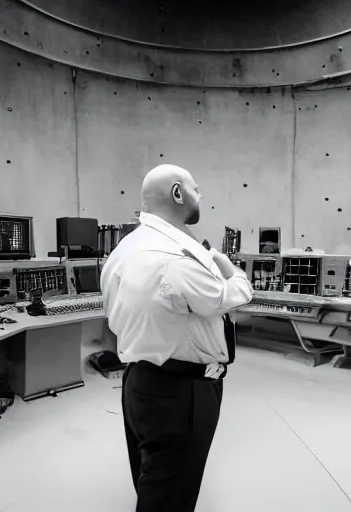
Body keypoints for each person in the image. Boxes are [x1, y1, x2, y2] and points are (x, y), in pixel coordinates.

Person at [100, 164, 253, 512]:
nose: (201, 196)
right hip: (182, 394)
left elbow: (110, 314)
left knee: (152, 481)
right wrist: (225, 263)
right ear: (178, 193)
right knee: (171, 495)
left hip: (138, 382)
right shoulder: (177, 259)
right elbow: (237, 294)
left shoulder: (122, 251)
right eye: (196, 189)